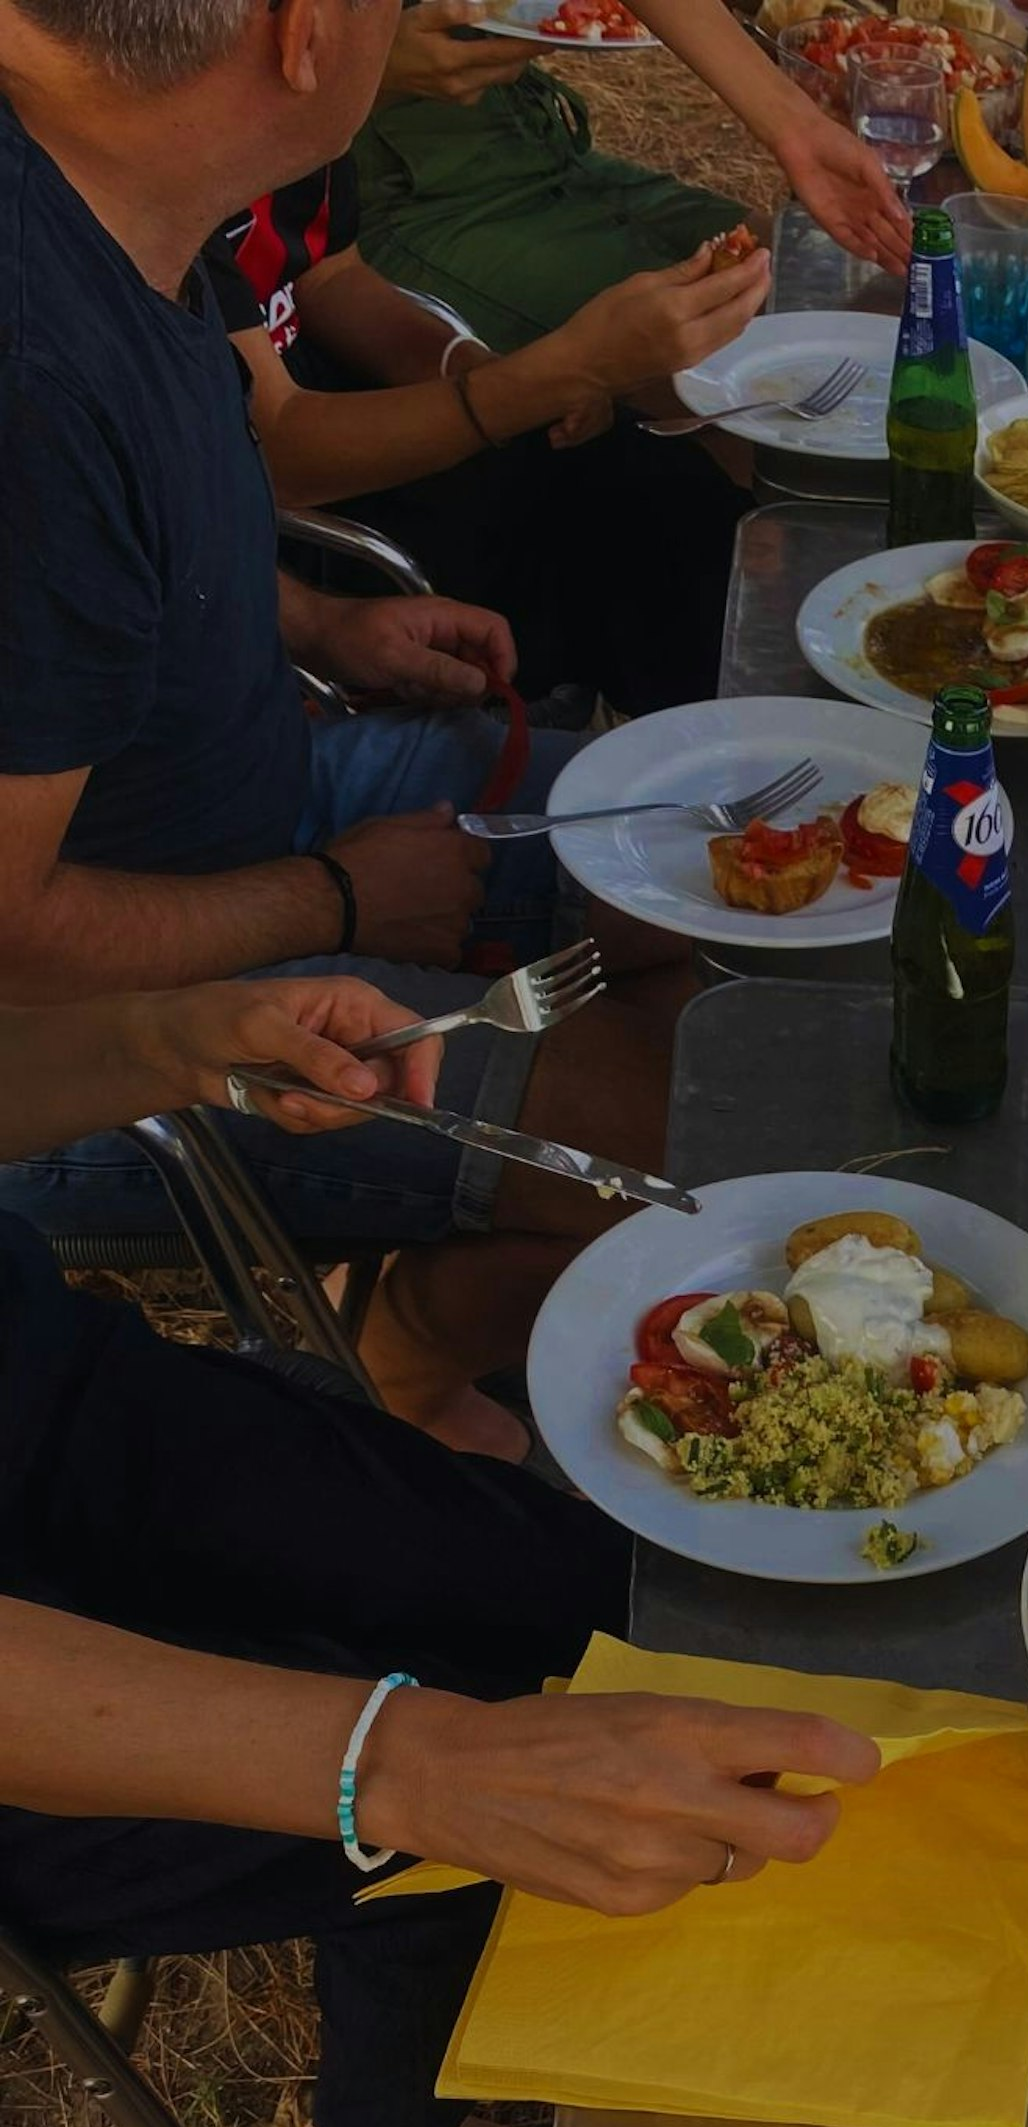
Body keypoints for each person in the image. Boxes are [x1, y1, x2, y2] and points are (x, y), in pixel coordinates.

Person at [0, 976, 879, 2127]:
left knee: (597, 1618)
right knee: (477, 1785)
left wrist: (146, 1037)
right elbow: (424, 1760)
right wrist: (416, 1762)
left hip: (48, 1395)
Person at [0, 0, 683, 1449]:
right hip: (97, 1038)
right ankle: (409, 1337)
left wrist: (313, 622)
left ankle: (457, 1301)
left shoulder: (100, 171)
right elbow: (10, 934)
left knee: (739, 866)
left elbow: (123, 548)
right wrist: (344, 895)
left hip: (265, 793)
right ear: (309, 33)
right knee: (709, 1117)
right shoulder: (30, 380)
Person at [207, 151, 759, 716]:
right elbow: (278, 453)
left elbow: (328, 275)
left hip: (339, 418)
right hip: (266, 531)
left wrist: (487, 370)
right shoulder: (179, 170)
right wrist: (558, 373)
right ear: (295, 56)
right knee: (633, 546)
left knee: (666, 491)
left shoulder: (298, 116)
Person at [353, 0, 908, 353]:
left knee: (816, 285)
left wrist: (796, 129)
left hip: (532, 138)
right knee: (724, 356)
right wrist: (374, 72)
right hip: (399, 195)